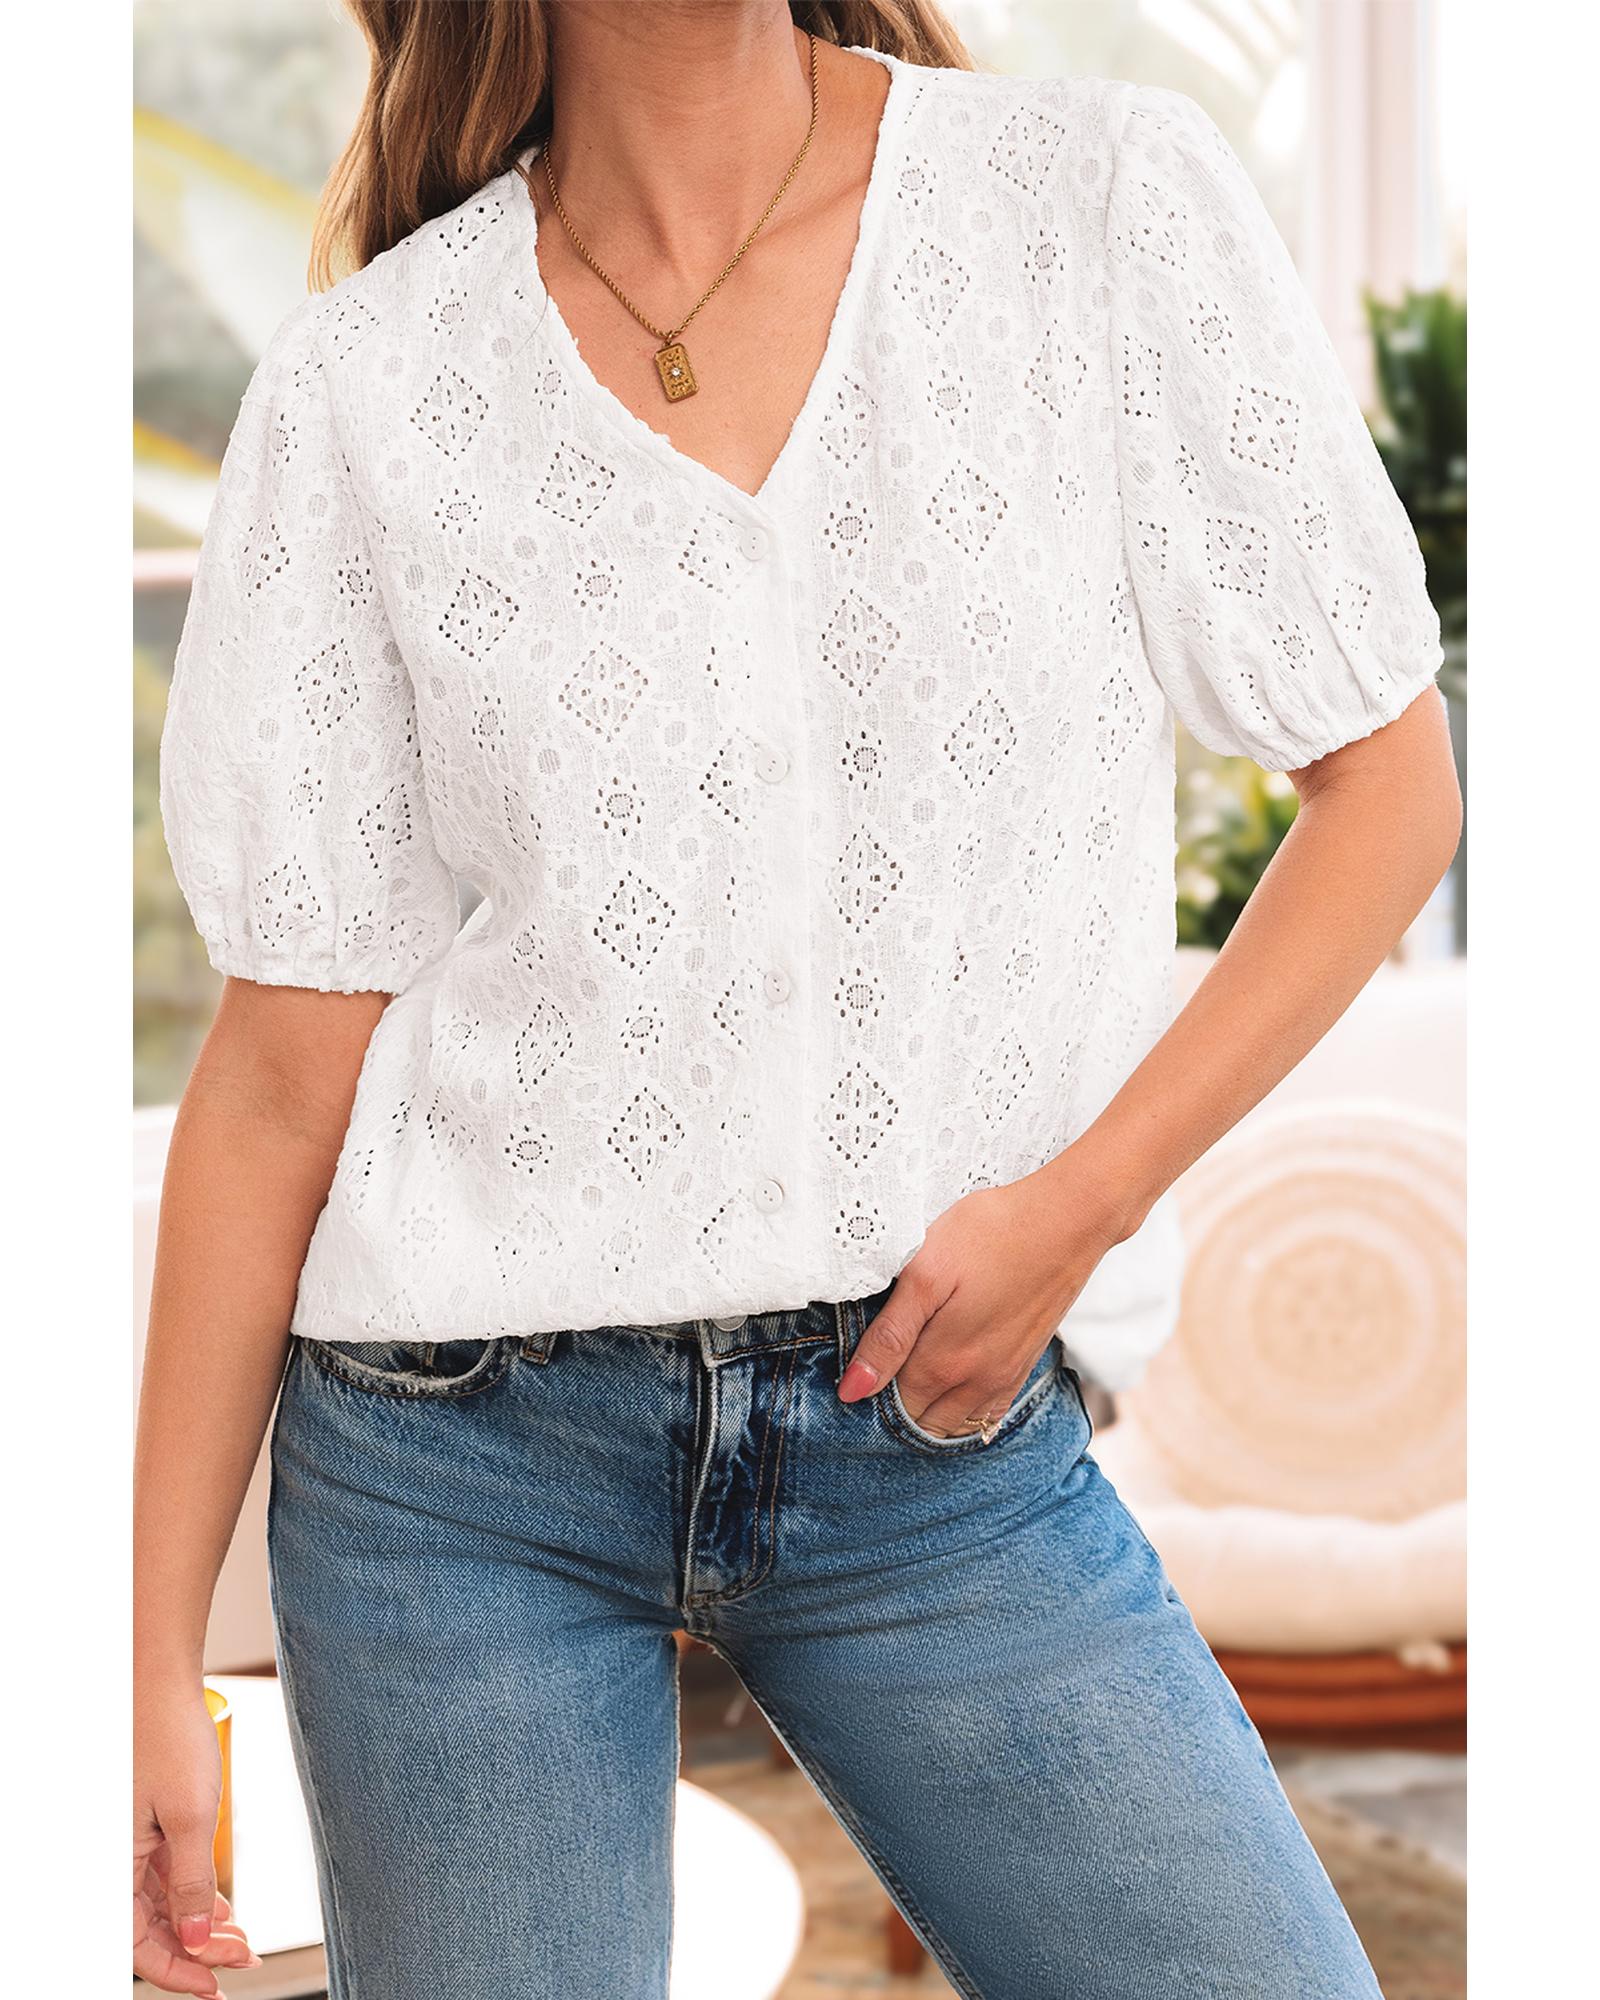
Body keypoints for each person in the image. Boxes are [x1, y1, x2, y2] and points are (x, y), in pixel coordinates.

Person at [133, 3, 1462, 1995]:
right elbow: (273, 1076)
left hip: (935, 1434)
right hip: (453, 1471)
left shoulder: (1090, 205)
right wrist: (143, 1653)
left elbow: (1390, 793)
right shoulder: (369, 382)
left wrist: (1080, 1201)